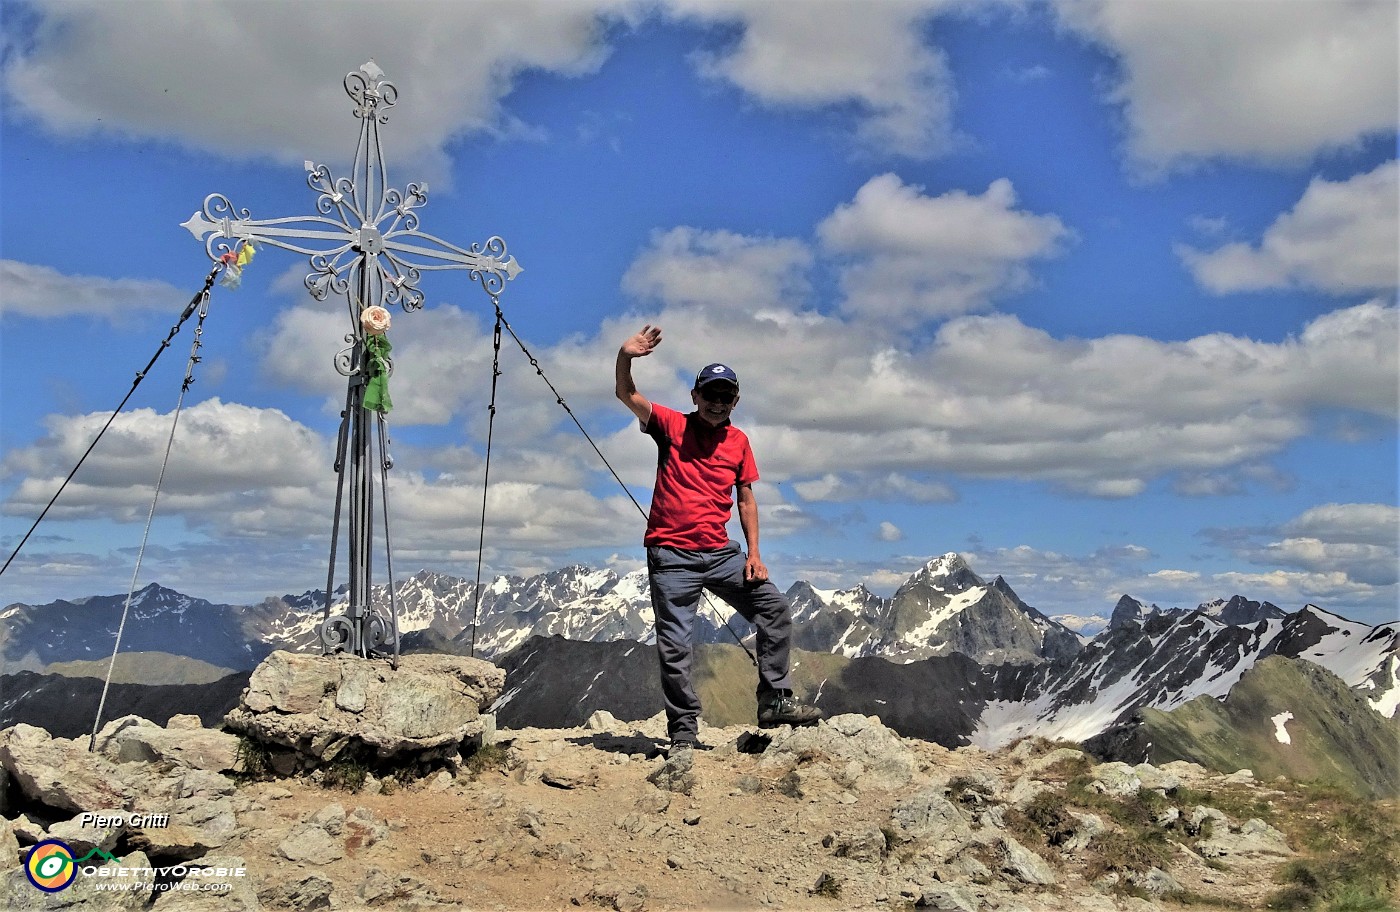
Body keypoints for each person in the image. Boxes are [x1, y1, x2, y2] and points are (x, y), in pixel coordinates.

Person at [615, 324, 823, 756]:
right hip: (671, 555)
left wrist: (755, 555)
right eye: (709, 394)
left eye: (725, 396)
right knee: (675, 646)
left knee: (774, 608)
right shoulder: (670, 425)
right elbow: (626, 395)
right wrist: (625, 357)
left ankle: (774, 701)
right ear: (695, 396)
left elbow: (746, 498)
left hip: (721, 554)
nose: (716, 403)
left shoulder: (739, 442)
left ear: (735, 401)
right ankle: (684, 734)